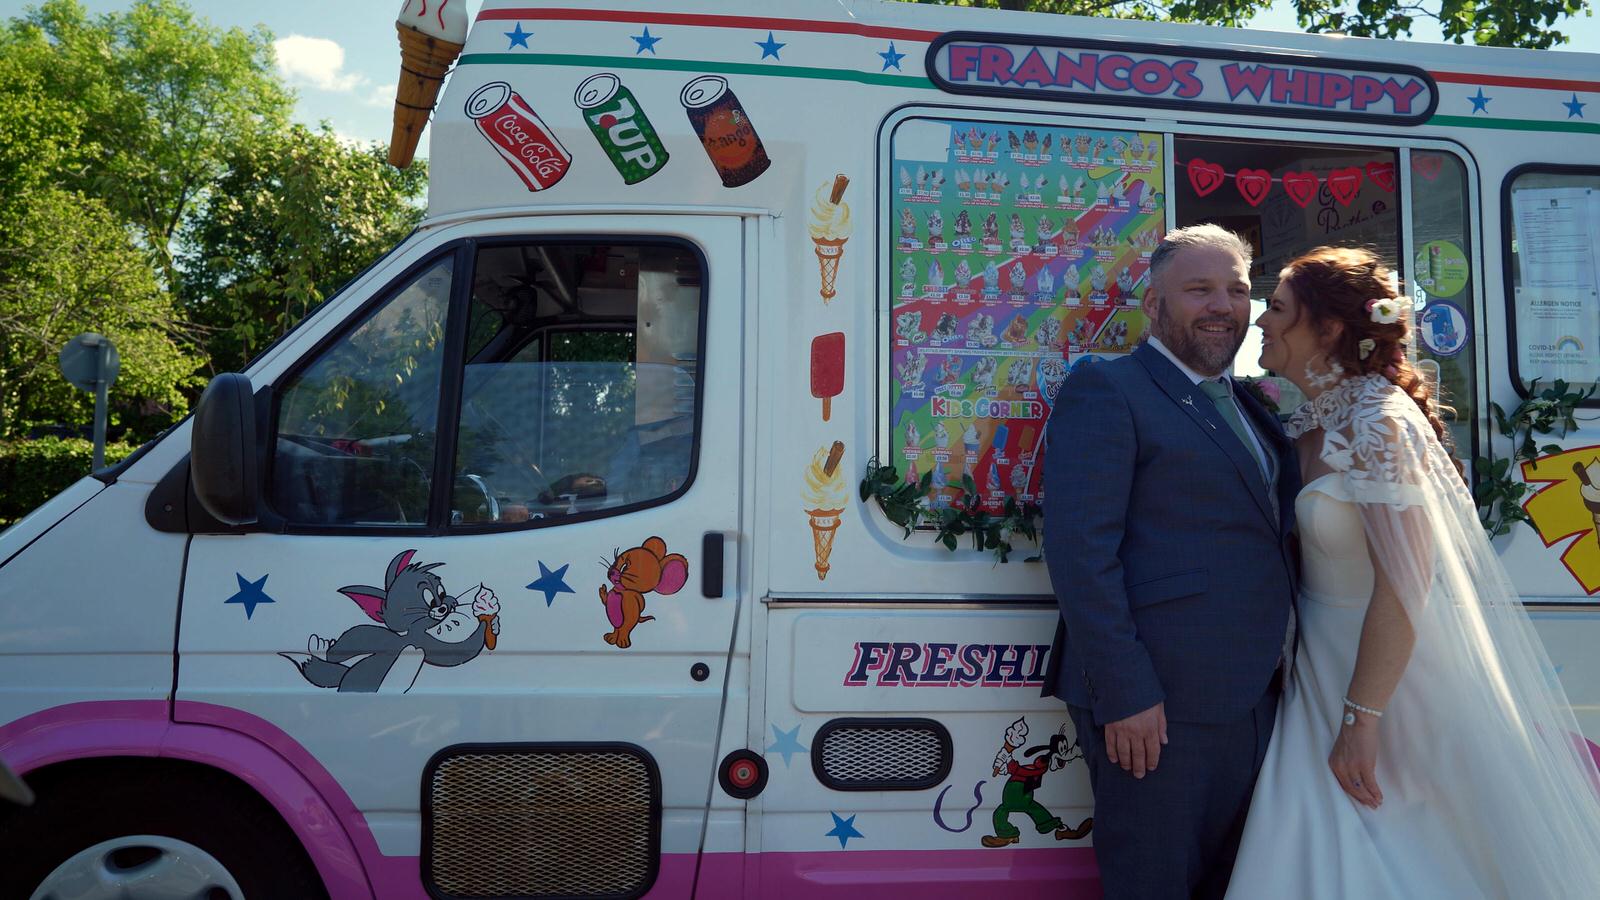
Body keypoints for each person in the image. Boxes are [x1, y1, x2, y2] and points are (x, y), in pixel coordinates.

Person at [1228, 246, 1600, 898]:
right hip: (1318, 672)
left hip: (1388, 686)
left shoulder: (1379, 423)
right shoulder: (1310, 422)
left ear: (1330, 328)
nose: (1259, 322)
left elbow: (1406, 581)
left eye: (1277, 309)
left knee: (1414, 854)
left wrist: (1360, 720)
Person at [1041, 224, 1301, 898]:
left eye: (1238, 290)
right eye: (1199, 289)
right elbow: (1080, 553)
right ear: (1153, 305)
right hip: (1159, 709)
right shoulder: (1110, 389)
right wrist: (1126, 693)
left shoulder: (1253, 403)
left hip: (1259, 699)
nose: (1223, 305)